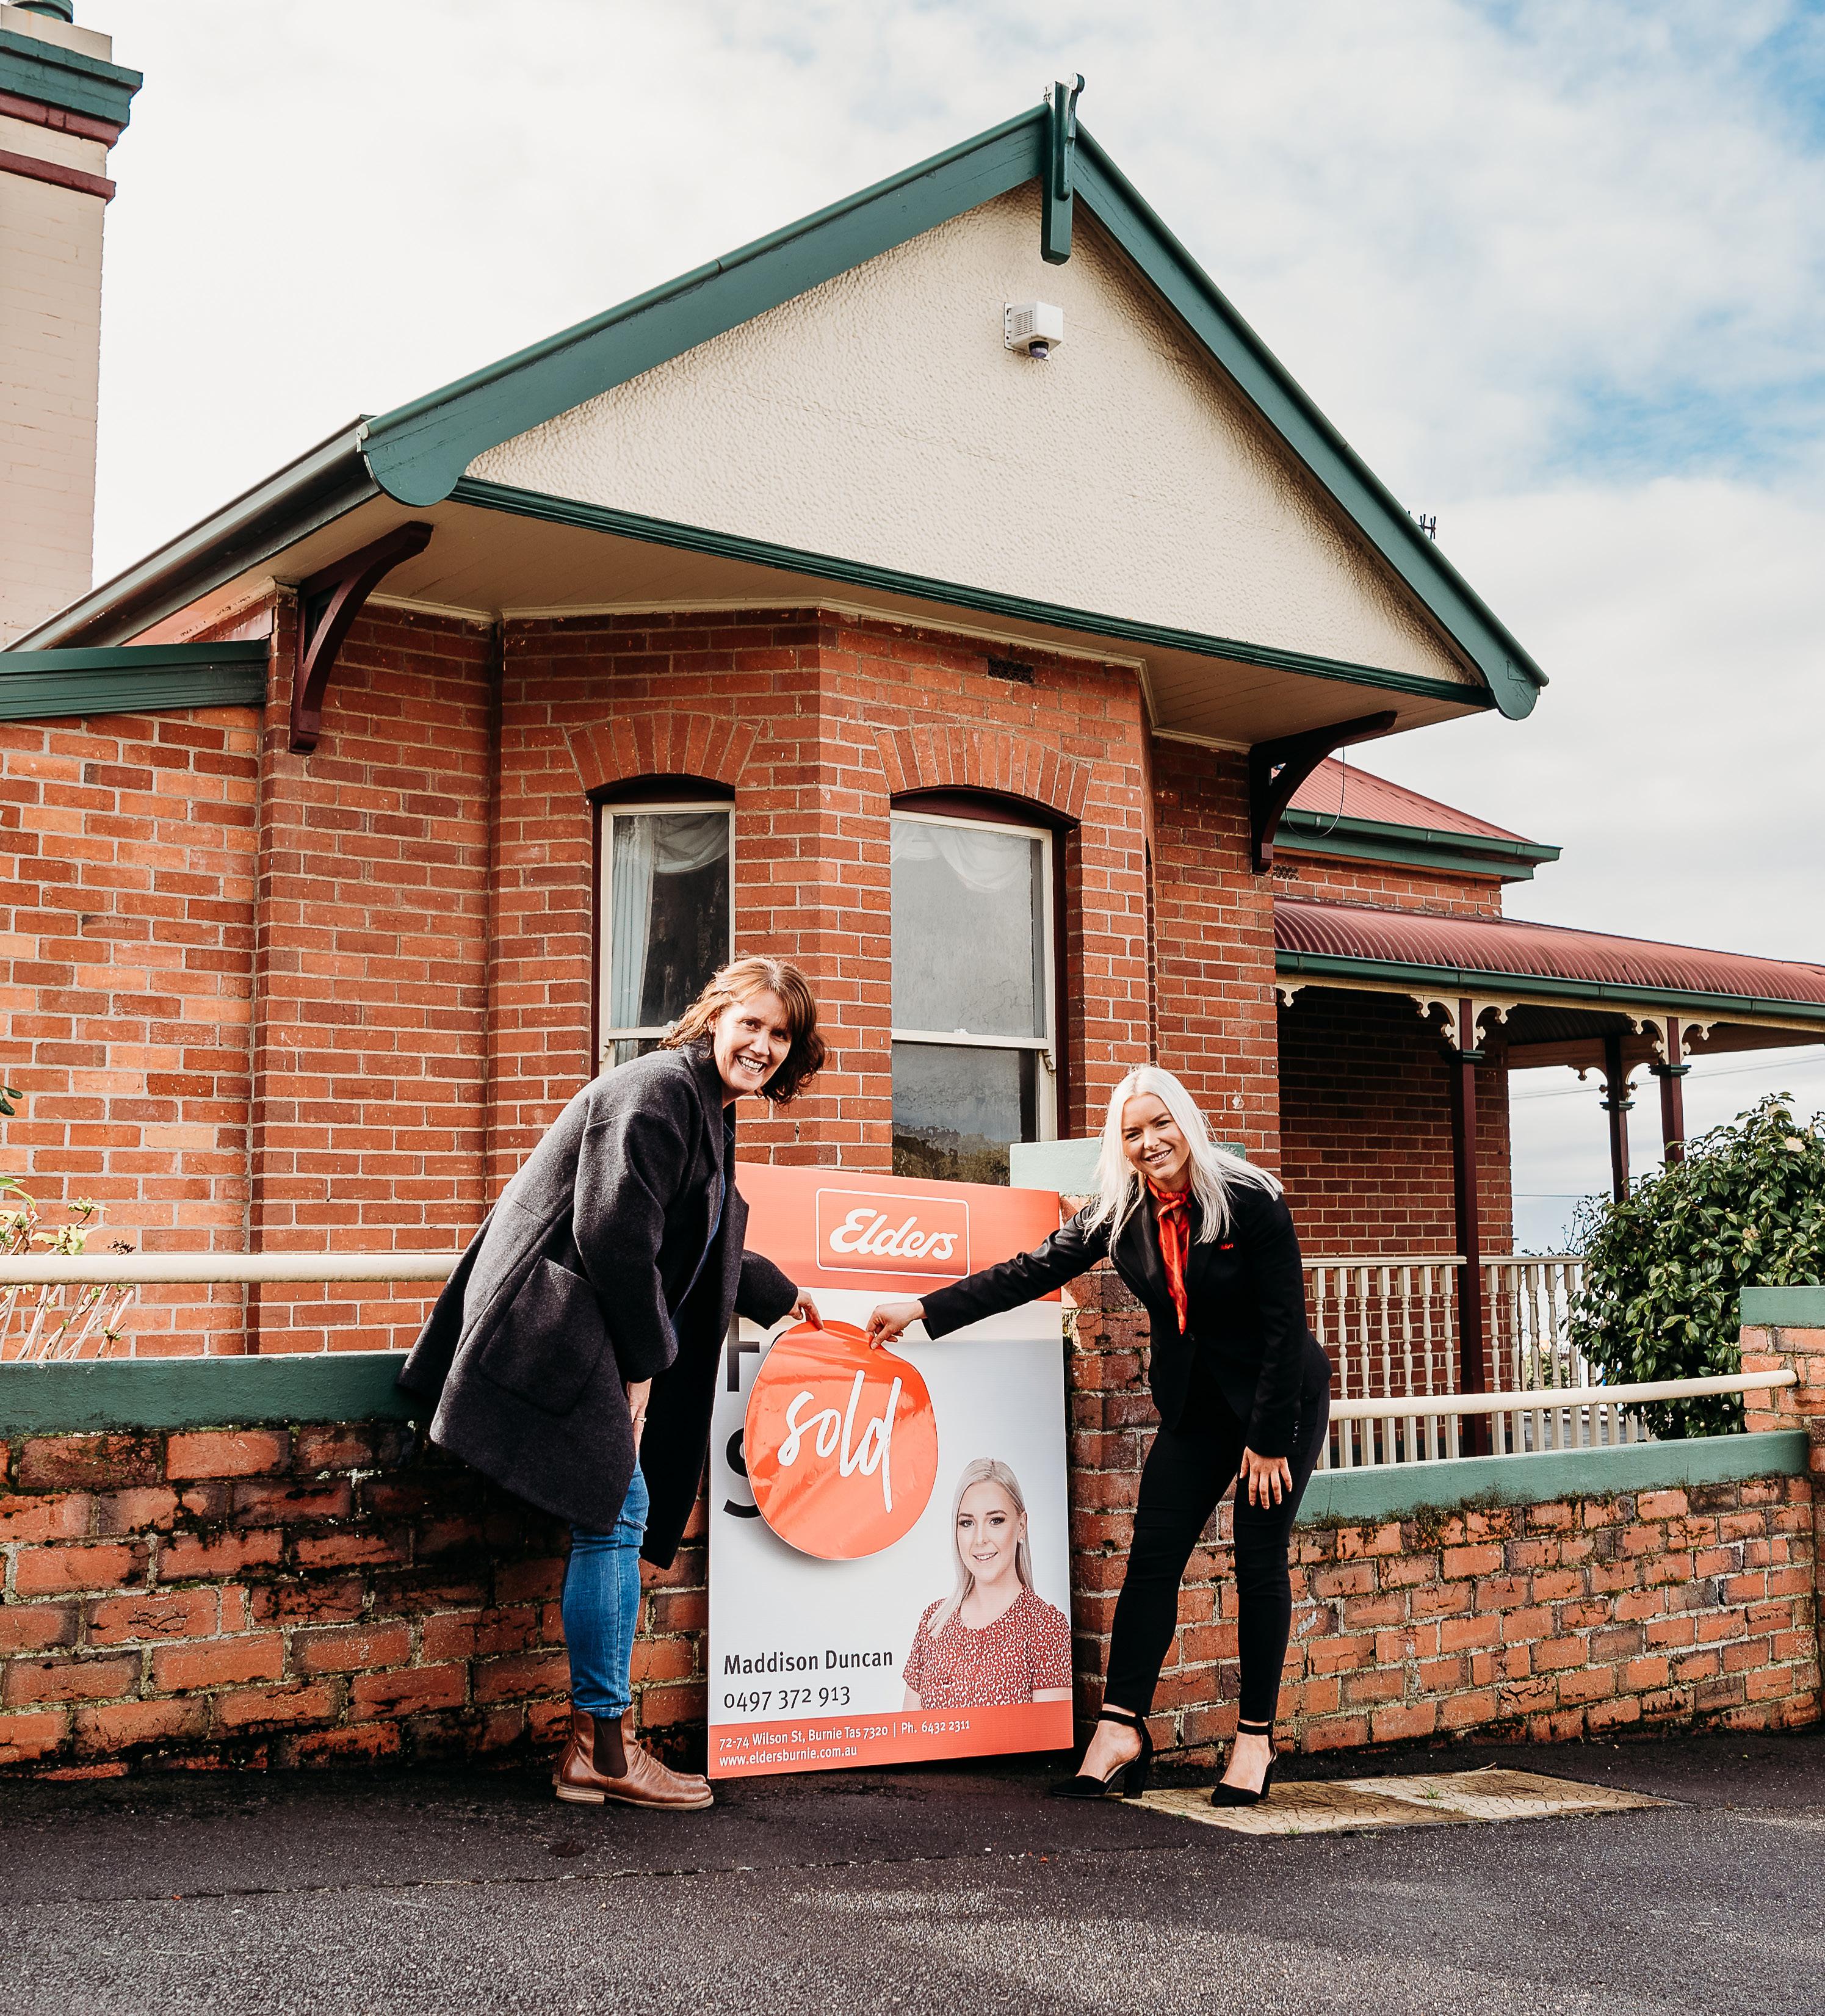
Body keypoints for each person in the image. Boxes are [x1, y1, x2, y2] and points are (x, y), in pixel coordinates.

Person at [400, 955, 826, 1811]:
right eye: (751, 1022)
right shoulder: (659, 1091)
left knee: (615, 1511)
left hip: (583, 1318)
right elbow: (613, 1233)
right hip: (553, 1321)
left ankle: (597, 1741)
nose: (763, 1044)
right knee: (616, 1509)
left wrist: (774, 1290)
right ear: (713, 1015)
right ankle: (602, 1746)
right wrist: (643, 1367)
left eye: (780, 1033)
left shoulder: (703, 1103)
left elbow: (686, 1232)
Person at [867, 1065, 1330, 1807]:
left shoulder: (1250, 1200)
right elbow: (1027, 1272)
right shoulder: (1120, 1215)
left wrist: (1269, 1439)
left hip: (1275, 1404)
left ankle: (1252, 1741)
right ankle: (1119, 1731)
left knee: (1256, 1558)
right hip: (1195, 1409)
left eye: (1159, 1124)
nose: (1149, 1143)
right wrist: (923, 1308)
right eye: (1131, 1133)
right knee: (1151, 1558)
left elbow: (1284, 1327)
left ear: (1185, 1122)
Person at [901, 1458, 1072, 1711]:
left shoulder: (1045, 1627)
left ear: (1021, 1525)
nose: (980, 1539)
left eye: (996, 1521)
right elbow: (908, 1741)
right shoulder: (934, 1623)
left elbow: (1051, 1746)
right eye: (967, 1523)